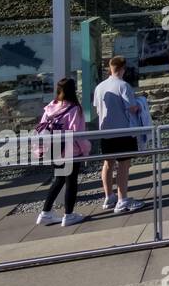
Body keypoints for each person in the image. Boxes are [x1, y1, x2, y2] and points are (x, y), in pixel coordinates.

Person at [34, 77, 91, 228]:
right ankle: (69, 215)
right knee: (71, 182)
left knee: (58, 180)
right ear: (73, 91)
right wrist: (86, 150)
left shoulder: (49, 108)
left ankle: (45, 213)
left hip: (54, 150)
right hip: (71, 151)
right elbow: (78, 134)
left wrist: (40, 149)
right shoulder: (74, 109)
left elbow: (41, 129)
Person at [93, 56, 144, 213]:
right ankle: (123, 199)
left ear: (110, 67)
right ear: (123, 68)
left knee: (108, 163)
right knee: (124, 164)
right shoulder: (124, 86)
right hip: (123, 131)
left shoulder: (100, 87)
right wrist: (141, 104)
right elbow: (132, 107)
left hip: (106, 131)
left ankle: (109, 196)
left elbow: (96, 107)